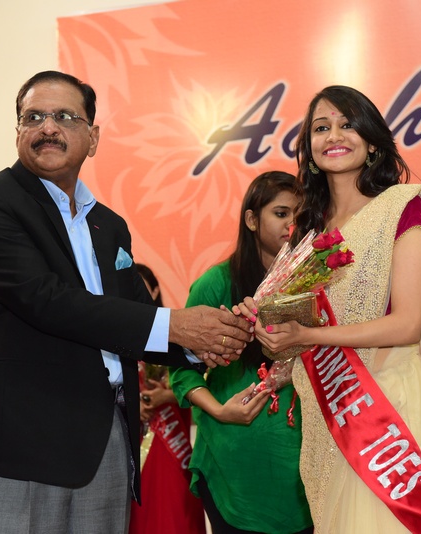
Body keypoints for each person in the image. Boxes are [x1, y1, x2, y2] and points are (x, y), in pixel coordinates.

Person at [0, 70, 253, 533]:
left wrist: (212, 340)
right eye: (33, 117)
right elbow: (45, 300)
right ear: (18, 132)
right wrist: (178, 325)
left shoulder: (108, 225)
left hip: (105, 438)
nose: (47, 127)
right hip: (19, 438)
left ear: (92, 138)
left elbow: (138, 317)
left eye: (64, 116)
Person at [237, 86, 421, 533]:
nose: (333, 136)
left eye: (347, 125)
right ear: (309, 147)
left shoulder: (403, 208)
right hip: (329, 417)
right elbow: (299, 333)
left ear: (372, 142)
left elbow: (406, 324)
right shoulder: (307, 231)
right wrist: (269, 327)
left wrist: (308, 336)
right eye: (321, 128)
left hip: (389, 414)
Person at [169, 171, 313, 534]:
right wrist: (220, 411)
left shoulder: (315, 283)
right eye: (281, 213)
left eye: (298, 215)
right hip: (233, 462)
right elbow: (181, 370)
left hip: (305, 463)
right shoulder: (215, 284)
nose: (292, 224)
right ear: (251, 219)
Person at [128, 264, 206, 534]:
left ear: (154, 290)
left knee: (174, 515)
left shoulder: (177, 333)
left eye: (139, 285)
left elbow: (202, 382)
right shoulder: (116, 335)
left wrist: (166, 396)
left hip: (173, 445)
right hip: (133, 446)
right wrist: (132, 404)